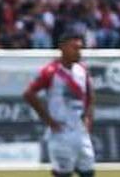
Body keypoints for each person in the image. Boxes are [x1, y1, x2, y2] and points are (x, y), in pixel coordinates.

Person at [23, 28, 95, 177]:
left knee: (88, 172)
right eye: (74, 48)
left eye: (80, 48)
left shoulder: (82, 70)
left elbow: (90, 95)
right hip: (61, 132)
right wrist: (49, 121)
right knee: (63, 173)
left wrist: (88, 118)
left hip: (80, 131)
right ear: (62, 47)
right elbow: (29, 94)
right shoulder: (50, 71)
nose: (78, 52)